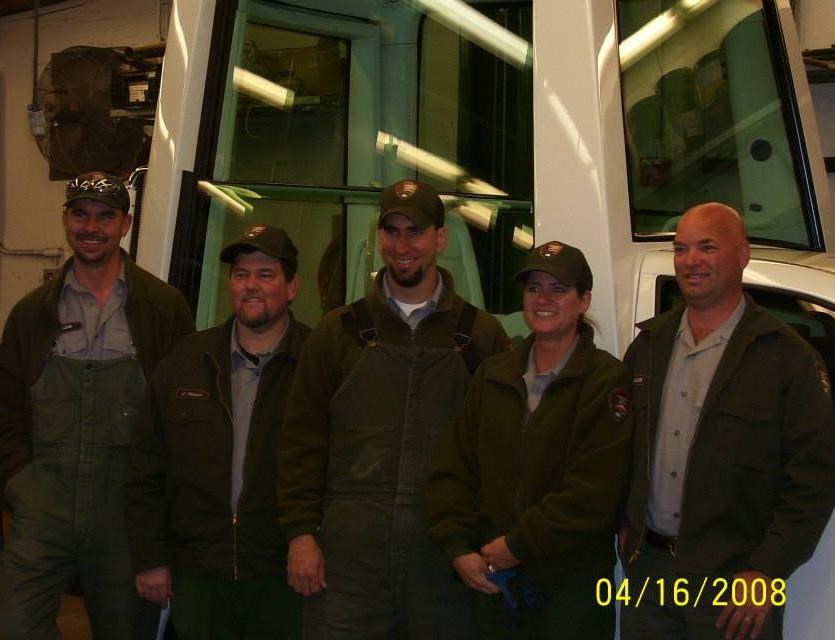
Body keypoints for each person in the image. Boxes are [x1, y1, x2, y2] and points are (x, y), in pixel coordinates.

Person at [276, 179, 510, 639]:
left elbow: (499, 455)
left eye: (415, 232)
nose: (402, 246)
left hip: (443, 563)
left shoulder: (482, 336)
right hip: (348, 565)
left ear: (440, 239)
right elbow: (300, 443)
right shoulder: (337, 332)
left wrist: (484, 541)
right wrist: (301, 534)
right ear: (379, 237)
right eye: (392, 231)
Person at [619, 202, 835, 640]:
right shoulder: (649, 345)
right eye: (681, 249)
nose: (690, 261)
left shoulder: (786, 358)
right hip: (649, 577)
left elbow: (814, 478)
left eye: (707, 247)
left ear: (742, 254)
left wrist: (768, 569)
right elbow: (620, 449)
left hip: (735, 583)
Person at [0, 171, 194, 639]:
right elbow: (5, 411)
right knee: (15, 625)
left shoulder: (163, 307)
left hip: (125, 513)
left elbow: (181, 418)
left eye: (105, 217)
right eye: (81, 215)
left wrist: (160, 518)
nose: (91, 227)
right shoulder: (33, 312)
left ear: (125, 225)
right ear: (66, 219)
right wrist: (21, 485)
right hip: (44, 506)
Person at [425, 241, 633, 639]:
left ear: (584, 300)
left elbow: (594, 493)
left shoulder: (606, 381)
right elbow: (453, 468)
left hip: (569, 593)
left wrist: (518, 545)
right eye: (534, 288)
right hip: (492, 585)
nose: (543, 299)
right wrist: (457, 547)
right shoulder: (493, 375)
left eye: (558, 289)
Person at [126, 224, 311, 639]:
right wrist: (151, 556)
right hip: (198, 574)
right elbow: (145, 466)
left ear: (292, 286)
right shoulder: (187, 359)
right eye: (241, 274)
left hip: (285, 576)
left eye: (265, 274)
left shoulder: (318, 364)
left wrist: (315, 544)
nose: (251, 285)